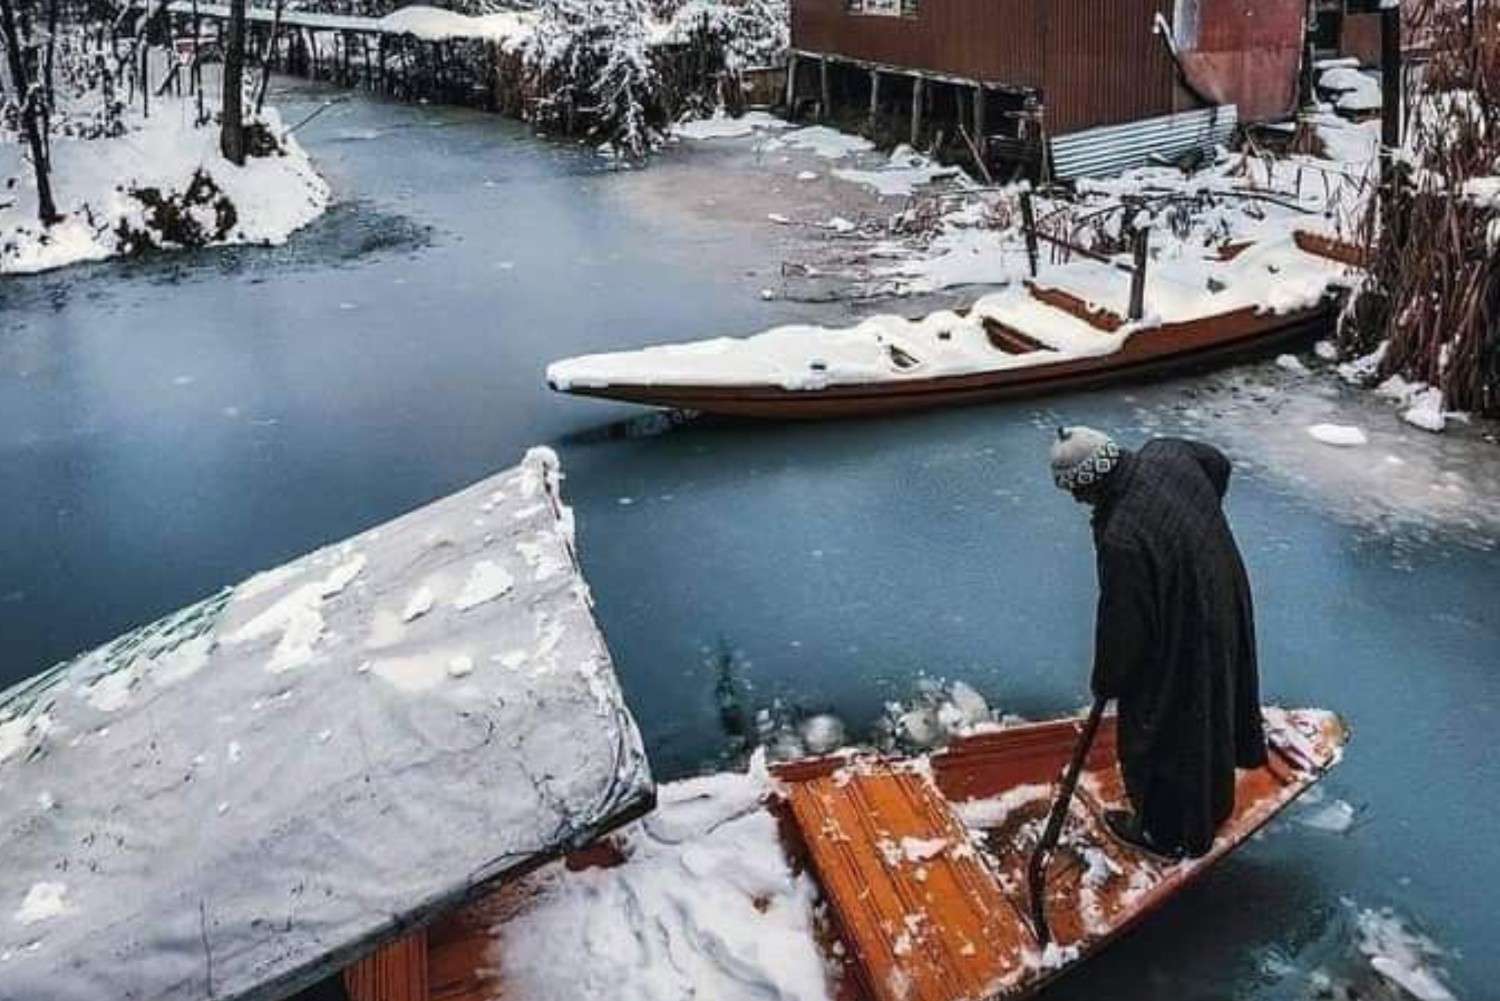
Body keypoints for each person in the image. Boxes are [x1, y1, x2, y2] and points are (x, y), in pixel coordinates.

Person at [1049, 426, 1267, 859]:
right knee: (1213, 693)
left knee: (1163, 723)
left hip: (1187, 623)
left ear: (1093, 481)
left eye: (1079, 491)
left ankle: (1167, 833)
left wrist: (1109, 680)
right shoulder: (1165, 453)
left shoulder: (1123, 537)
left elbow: (1125, 623)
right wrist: (1200, 526)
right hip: (1221, 581)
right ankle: (1212, 800)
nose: (1078, 502)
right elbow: (1216, 462)